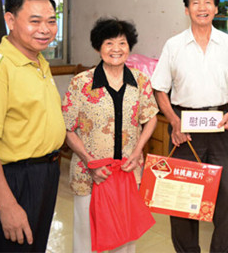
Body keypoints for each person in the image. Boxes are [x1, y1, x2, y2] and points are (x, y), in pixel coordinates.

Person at [150, 0, 228, 253]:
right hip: (185, 128)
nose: (202, 7)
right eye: (195, 2)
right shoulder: (174, 45)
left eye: (208, 2)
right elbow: (159, 88)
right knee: (181, 199)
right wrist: (174, 121)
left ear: (216, 9)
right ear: (186, 9)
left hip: (223, 124)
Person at [0, 0, 65, 252]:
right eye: (35, 21)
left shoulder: (37, 61)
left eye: (51, 21)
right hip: (11, 180)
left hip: (44, 173)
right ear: (10, 21)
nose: (45, 29)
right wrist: (7, 205)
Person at [62, 17, 159, 252]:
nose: (116, 49)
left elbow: (151, 117)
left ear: (129, 47)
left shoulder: (141, 80)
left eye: (122, 43)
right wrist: (90, 161)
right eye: (109, 43)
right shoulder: (81, 83)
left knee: (126, 235)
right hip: (91, 173)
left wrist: (137, 152)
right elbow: (67, 128)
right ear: (98, 47)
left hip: (128, 170)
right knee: (87, 235)